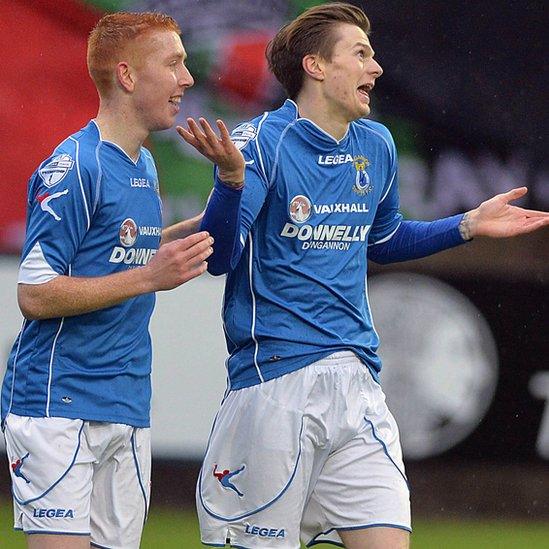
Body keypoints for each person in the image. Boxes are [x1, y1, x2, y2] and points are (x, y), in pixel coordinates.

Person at [178, 3, 549, 548]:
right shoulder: (260, 144)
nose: (376, 68)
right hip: (276, 384)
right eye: (361, 54)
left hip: (358, 381)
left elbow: (383, 238)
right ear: (316, 66)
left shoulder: (375, 145)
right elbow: (220, 257)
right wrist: (231, 182)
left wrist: (467, 224)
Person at [1, 12, 214, 549]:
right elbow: (35, 293)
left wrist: (196, 225)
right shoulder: (73, 166)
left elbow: (116, 249)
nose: (187, 79)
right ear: (126, 76)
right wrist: (148, 276)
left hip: (126, 404)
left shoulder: (143, 164)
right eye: (173, 64)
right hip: (59, 405)